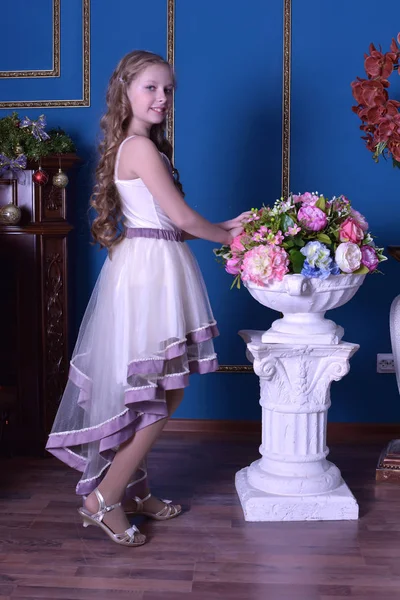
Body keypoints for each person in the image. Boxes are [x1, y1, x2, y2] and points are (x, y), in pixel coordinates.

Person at [46, 50, 247, 547]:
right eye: (151, 88)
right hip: (151, 275)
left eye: (168, 90)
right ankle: (104, 499)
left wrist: (227, 228)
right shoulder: (139, 148)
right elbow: (181, 219)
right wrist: (234, 238)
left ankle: (135, 490)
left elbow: (173, 222)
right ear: (126, 91)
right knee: (161, 392)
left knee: (154, 389)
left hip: (154, 266)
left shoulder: (141, 147)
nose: (162, 98)